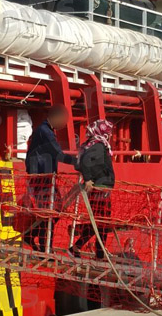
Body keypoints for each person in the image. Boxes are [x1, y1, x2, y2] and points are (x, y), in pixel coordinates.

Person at [24, 105, 77, 251]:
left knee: (56, 211)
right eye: (64, 120)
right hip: (41, 179)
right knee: (50, 213)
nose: (64, 124)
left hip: (46, 179)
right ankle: (45, 248)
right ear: (57, 117)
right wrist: (78, 162)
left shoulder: (46, 131)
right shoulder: (44, 131)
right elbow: (58, 154)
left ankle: (32, 236)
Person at [69, 120, 115, 260]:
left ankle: (93, 251)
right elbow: (83, 162)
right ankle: (83, 249)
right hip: (100, 189)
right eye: (108, 131)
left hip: (100, 188)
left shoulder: (91, 144)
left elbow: (80, 163)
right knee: (101, 222)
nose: (110, 134)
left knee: (100, 222)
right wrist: (88, 178)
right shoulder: (99, 145)